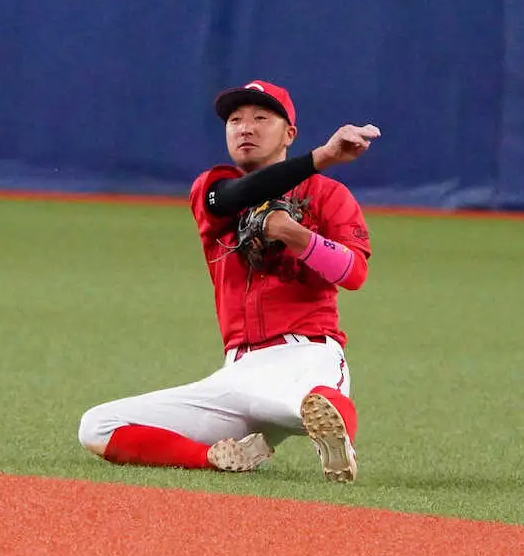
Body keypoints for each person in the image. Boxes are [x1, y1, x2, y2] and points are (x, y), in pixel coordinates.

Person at [77, 80, 380, 482]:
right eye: (235, 119)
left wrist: (295, 234)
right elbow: (245, 192)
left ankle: (334, 436)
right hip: (237, 374)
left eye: (261, 118)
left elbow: (354, 273)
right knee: (97, 426)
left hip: (304, 354)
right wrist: (321, 156)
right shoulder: (213, 190)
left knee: (317, 404)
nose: (245, 127)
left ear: (289, 133)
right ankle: (222, 457)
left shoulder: (327, 195)